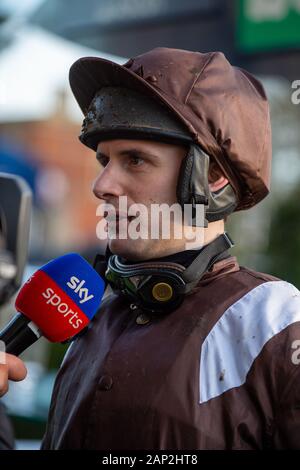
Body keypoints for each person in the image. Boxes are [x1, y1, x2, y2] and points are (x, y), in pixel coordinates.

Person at [2, 47, 300, 449]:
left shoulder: (277, 325)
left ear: (210, 177)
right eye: (104, 159)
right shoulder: (92, 315)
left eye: (135, 160)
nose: (101, 185)